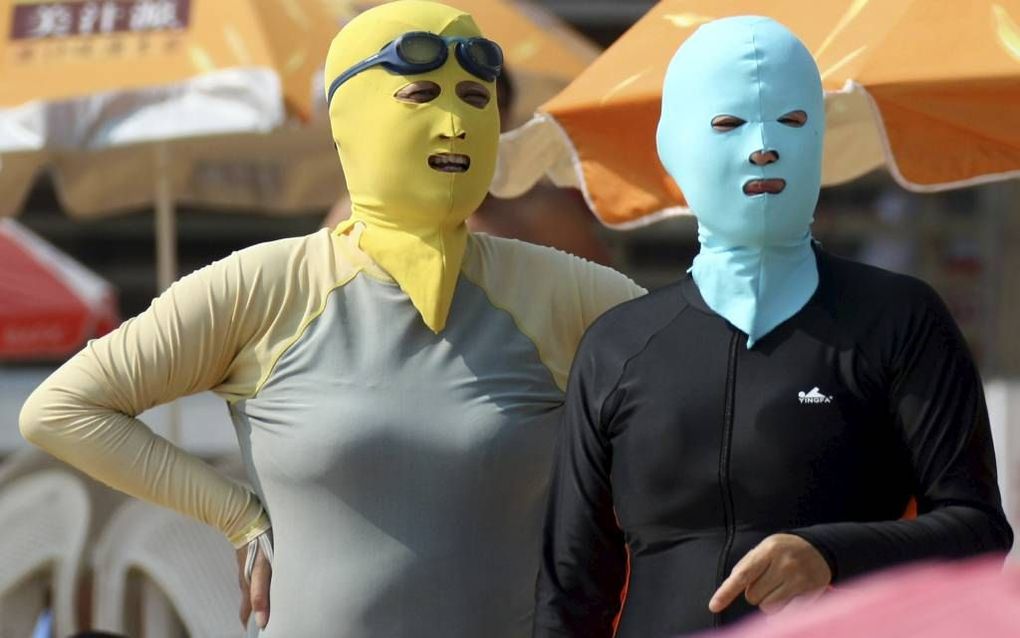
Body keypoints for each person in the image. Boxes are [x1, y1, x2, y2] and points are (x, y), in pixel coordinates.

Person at [18, 3, 643, 637]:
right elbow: (63, 410)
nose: (455, 123)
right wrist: (234, 513)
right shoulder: (267, 285)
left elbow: (705, 381)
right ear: (353, 117)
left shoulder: (558, 287)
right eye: (420, 94)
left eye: (476, 99)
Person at [532, 16, 1013, 638]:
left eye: (790, 122)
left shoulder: (898, 319)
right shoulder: (619, 345)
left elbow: (978, 529)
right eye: (729, 124)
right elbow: (571, 586)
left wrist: (831, 554)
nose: (763, 146)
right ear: (674, 145)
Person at [324, 64, 614, 266]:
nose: (456, 121)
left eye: (477, 100)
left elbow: (601, 319)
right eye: (430, 99)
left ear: (506, 115)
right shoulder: (357, 213)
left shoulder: (545, 213)